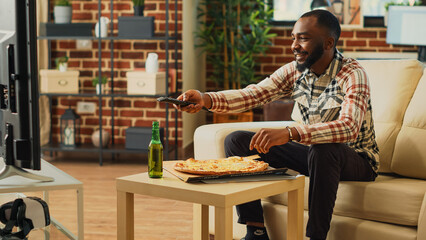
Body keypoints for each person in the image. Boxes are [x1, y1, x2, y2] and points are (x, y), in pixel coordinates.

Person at [175, 9, 379, 240]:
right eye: (294, 37)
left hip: (356, 160)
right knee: (237, 140)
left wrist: (291, 132)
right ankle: (256, 230)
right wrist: (205, 99)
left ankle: (315, 237)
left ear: (329, 42)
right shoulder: (296, 71)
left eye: (303, 38)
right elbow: (253, 94)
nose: (294, 45)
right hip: (313, 155)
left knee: (325, 147)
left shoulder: (353, 74)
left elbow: (348, 127)